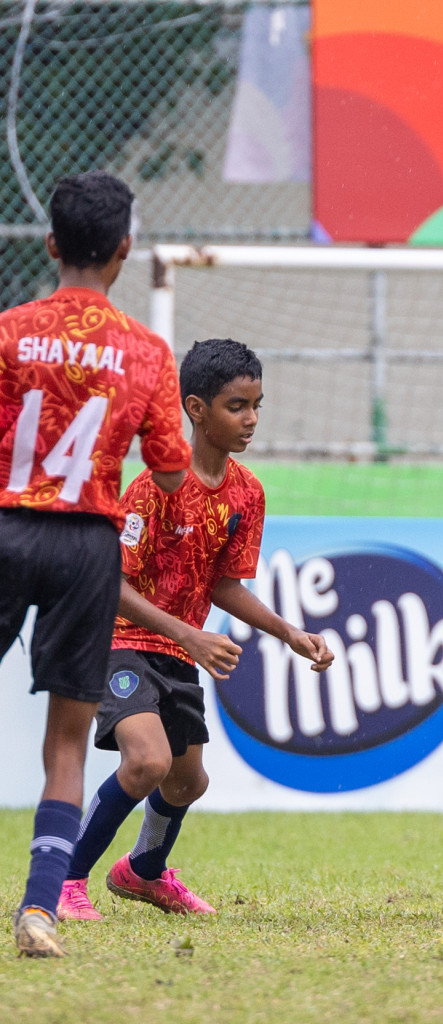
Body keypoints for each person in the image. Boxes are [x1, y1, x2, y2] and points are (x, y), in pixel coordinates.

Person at [54, 339, 332, 922]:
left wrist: (290, 633)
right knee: (147, 762)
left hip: (178, 652)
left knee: (187, 782)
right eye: (237, 406)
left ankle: (143, 873)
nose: (251, 419)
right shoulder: (156, 484)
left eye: (258, 404)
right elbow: (111, 585)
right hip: (119, 643)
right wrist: (188, 635)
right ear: (197, 409)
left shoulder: (247, 492)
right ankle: (64, 881)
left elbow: (225, 584)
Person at [0, 171, 192, 957]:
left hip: (7, 524)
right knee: (68, 743)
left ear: (50, 245)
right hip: (86, 547)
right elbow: (173, 469)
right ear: (125, 249)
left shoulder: (9, 331)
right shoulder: (145, 351)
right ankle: (40, 911)